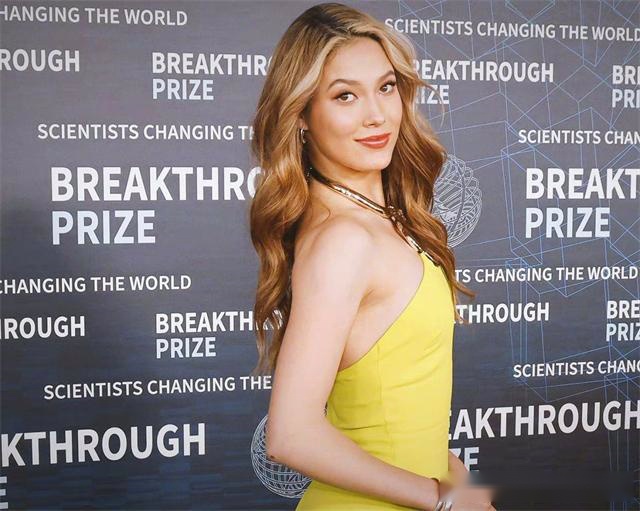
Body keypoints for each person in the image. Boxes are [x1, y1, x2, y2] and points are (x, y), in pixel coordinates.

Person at [249, 3, 496, 510]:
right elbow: (290, 435)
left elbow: (401, 415)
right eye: (345, 95)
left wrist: (459, 485)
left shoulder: (382, 220)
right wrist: (443, 500)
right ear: (302, 116)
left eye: (386, 87)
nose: (377, 115)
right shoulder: (344, 240)